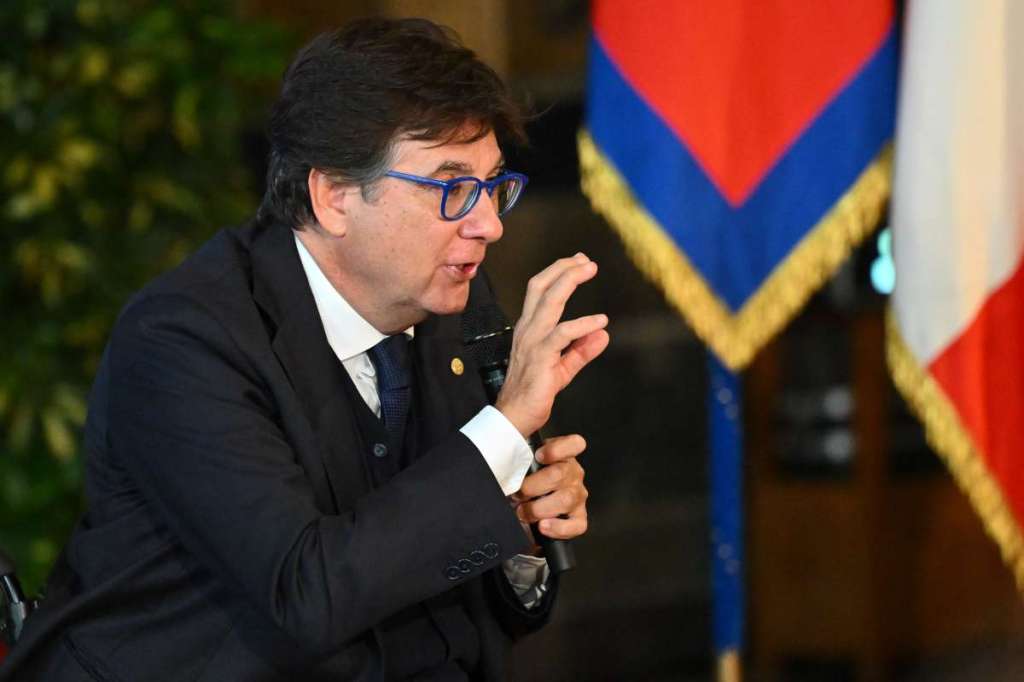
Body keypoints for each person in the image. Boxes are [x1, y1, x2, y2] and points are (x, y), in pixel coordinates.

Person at [0, 16, 609, 682]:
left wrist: (518, 537)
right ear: (334, 197)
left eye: (492, 186)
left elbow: (445, 590)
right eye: (452, 188)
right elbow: (306, 594)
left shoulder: (452, 306)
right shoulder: (183, 340)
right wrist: (505, 427)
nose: (488, 224)